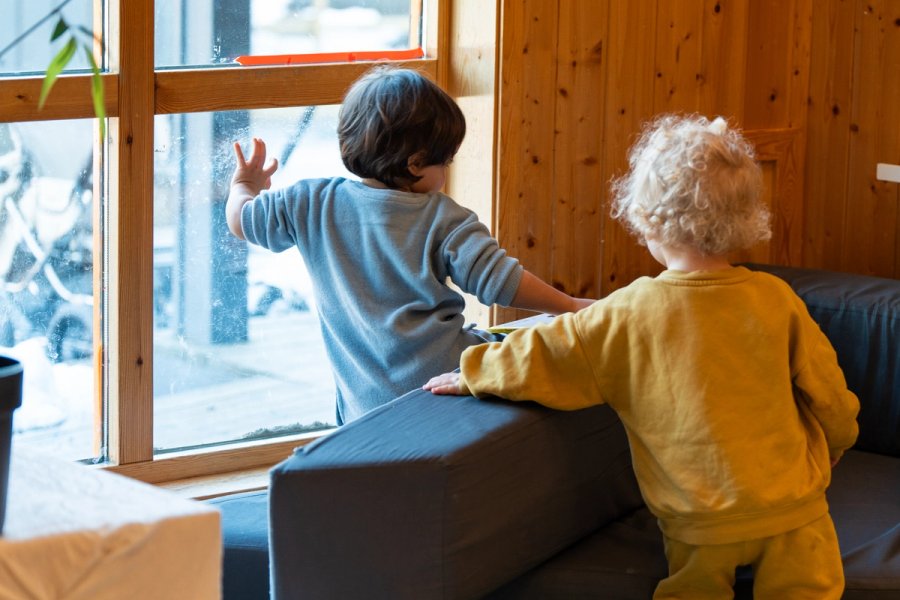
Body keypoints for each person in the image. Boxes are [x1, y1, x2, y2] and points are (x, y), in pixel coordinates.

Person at [424, 114, 860, 598]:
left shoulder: (629, 310)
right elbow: (827, 388)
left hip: (700, 522)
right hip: (795, 510)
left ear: (648, 219)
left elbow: (548, 353)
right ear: (743, 219)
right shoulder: (777, 298)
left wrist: (474, 372)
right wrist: (840, 438)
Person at [226, 65, 592, 425]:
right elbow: (501, 281)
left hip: (365, 406)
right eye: (444, 162)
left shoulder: (311, 201)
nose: (446, 173)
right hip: (447, 381)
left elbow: (243, 221)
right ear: (416, 163)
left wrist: (244, 185)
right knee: (544, 347)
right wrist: (570, 305)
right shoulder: (443, 217)